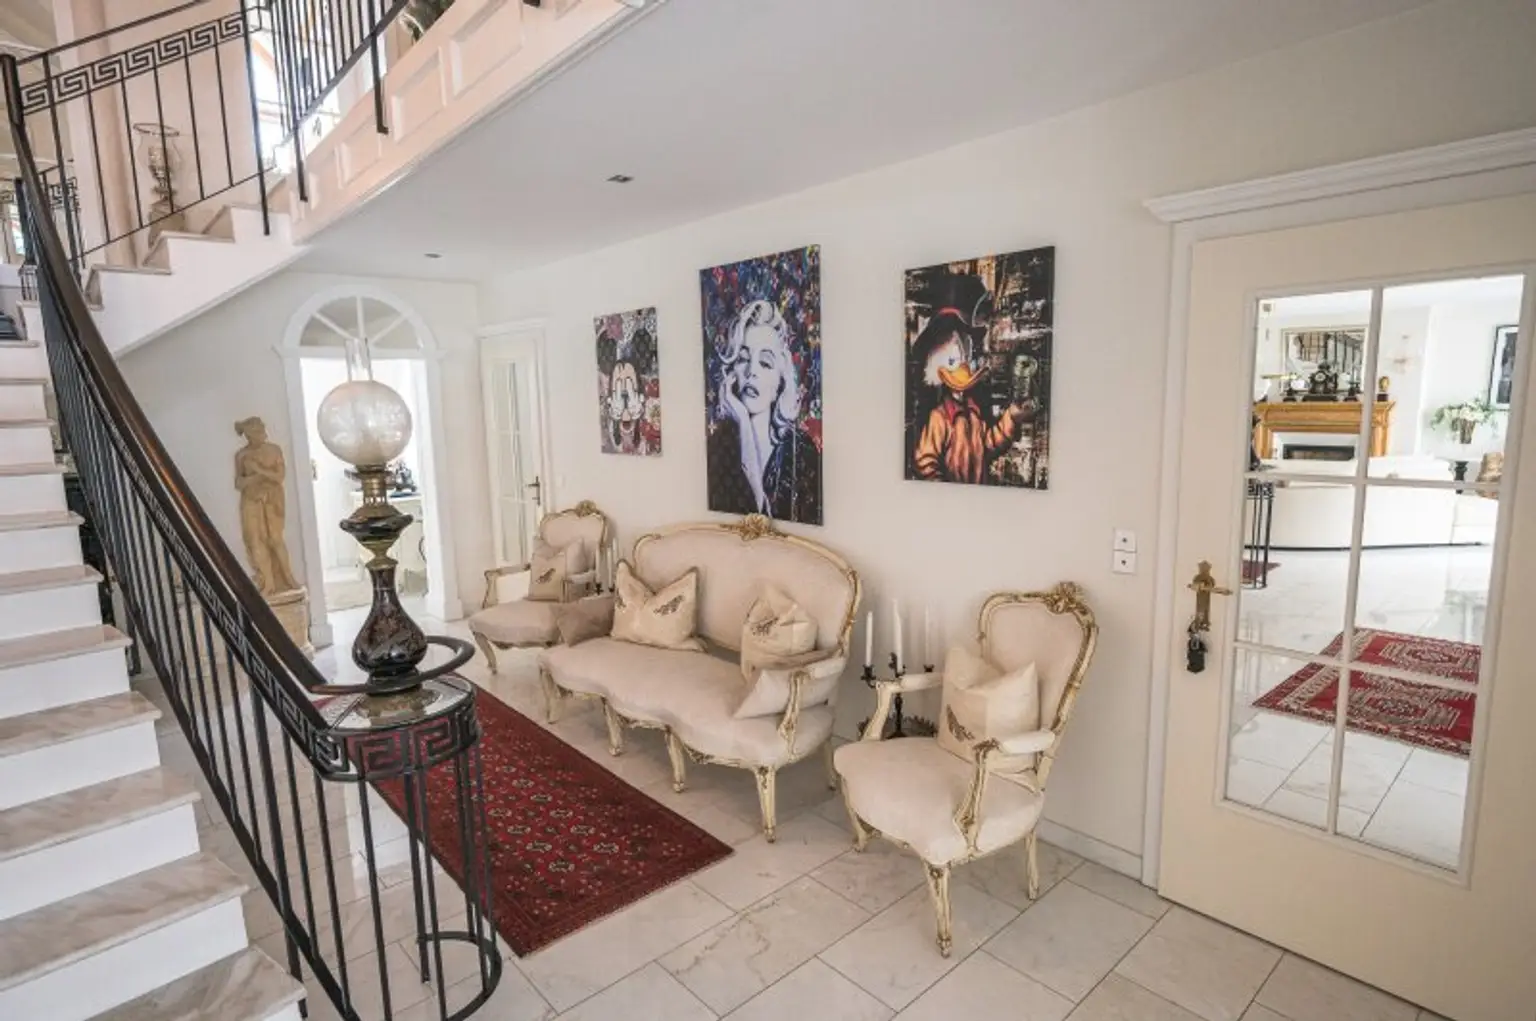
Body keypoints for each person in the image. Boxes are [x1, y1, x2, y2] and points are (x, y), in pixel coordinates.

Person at [909, 274, 1034, 484]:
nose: (964, 366)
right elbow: (925, 464)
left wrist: (1011, 418)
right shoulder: (939, 418)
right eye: (954, 360)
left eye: (965, 357)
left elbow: (988, 445)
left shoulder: (973, 411)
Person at [707, 300, 821, 523]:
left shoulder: (801, 451)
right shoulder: (717, 447)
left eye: (765, 363)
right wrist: (743, 423)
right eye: (743, 359)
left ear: (780, 381)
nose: (752, 371)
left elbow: (763, 519)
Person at [234, 416, 301, 595]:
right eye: (258, 431)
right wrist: (256, 477)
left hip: (272, 498)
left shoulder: (274, 450)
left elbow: (279, 477)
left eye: (262, 430)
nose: (263, 434)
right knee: (255, 540)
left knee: (275, 538)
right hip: (251, 500)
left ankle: (288, 578)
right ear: (249, 435)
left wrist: (258, 470)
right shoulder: (241, 455)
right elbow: (239, 483)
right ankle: (268, 582)